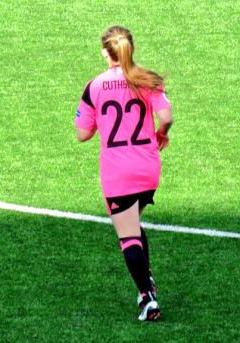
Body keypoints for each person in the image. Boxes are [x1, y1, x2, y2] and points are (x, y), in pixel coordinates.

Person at [74, 25, 173, 321]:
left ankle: (148, 299)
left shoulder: (95, 86)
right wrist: (161, 133)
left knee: (127, 236)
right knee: (133, 222)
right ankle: (148, 280)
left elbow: (82, 134)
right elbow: (166, 116)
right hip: (148, 167)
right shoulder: (148, 79)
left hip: (118, 172)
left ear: (106, 52)